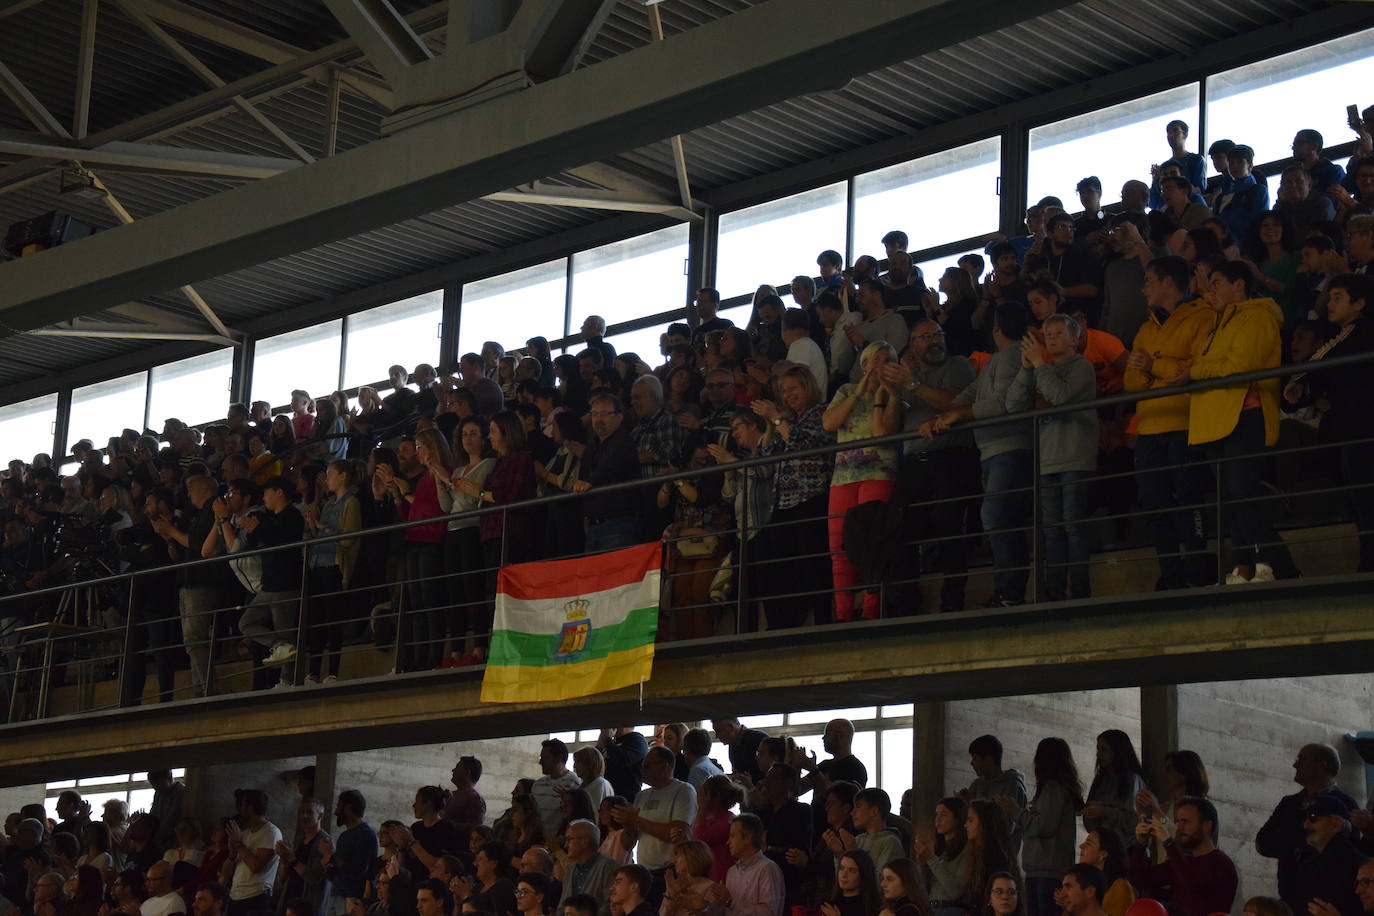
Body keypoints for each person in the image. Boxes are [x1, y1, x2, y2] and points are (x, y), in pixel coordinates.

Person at [1182, 260, 1298, 582]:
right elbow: (1200, 357)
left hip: (1245, 413)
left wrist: (1196, 372)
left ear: (1239, 286)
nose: (1211, 290)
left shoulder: (1258, 315)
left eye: (1217, 282)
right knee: (1229, 499)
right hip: (1213, 418)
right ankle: (1243, 565)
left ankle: (1274, 563)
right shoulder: (1216, 322)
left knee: (1242, 492)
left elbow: (1239, 365)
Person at [923, 304, 1033, 607]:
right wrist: (941, 416)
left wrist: (956, 414)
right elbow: (968, 395)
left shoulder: (1011, 357)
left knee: (997, 516)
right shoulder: (999, 360)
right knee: (998, 517)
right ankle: (1007, 590)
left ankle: (1009, 591)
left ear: (997, 329)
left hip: (1009, 448)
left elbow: (1002, 404)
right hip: (994, 451)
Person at [1124, 255, 1216, 590]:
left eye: (1148, 280)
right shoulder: (1145, 327)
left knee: (1189, 497)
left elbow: (1195, 369)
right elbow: (1131, 382)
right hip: (1149, 428)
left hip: (1185, 424)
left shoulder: (1203, 317)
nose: (1142, 288)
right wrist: (1157, 371)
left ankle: (1195, 566)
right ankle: (1171, 572)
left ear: (1167, 282)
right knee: (1154, 504)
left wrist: (1154, 367)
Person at [1286, 273, 1374, 571]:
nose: (1330, 304)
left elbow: (1321, 359)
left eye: (1338, 298)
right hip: (1357, 427)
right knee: (1361, 500)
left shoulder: (1356, 331)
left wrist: (1298, 379)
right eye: (1330, 297)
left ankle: (1369, 566)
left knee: (1364, 499)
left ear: (1359, 303)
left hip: (1361, 429)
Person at [1006, 313, 1098, 600]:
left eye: (1059, 333)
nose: (1052, 338)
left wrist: (1038, 364)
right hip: (1046, 458)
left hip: (1073, 454)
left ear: (1075, 338)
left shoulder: (1081, 366)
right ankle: (1054, 591)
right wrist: (1025, 369)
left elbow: (1059, 396)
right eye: (1048, 334)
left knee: (1072, 523)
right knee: (1052, 529)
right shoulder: (1039, 369)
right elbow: (1012, 405)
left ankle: (1080, 589)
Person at [822, 341, 902, 620]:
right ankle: (843, 612)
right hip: (842, 476)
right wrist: (858, 392)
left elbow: (882, 433)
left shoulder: (896, 394)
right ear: (864, 365)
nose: (881, 365)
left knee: (872, 539)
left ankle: (870, 610)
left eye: (888, 359)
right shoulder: (845, 390)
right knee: (838, 545)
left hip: (879, 472)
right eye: (876, 360)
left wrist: (883, 396)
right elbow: (830, 423)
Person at [751, 365, 835, 628]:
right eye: (783, 391)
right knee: (770, 564)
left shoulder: (822, 412)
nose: (788, 395)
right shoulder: (788, 420)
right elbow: (765, 457)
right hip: (783, 503)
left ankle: (823, 622)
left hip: (811, 498)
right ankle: (781, 625)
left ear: (807, 386)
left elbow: (804, 444)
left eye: (793, 388)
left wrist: (777, 418)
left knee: (814, 565)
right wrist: (771, 424)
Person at [1257, 744, 1360, 906]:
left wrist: (1287, 838)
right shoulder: (1289, 803)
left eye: (1302, 759)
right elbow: (1261, 844)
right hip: (1289, 898)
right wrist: (1307, 839)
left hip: (1325, 904)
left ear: (1323, 764)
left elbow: (1350, 854)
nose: (1295, 764)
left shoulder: (1346, 804)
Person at [1007, 738, 1083, 916]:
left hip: (1049, 871)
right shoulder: (1054, 789)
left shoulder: (1054, 789)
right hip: (1041, 869)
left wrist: (1016, 812)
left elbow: (1043, 827)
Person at [1127, 796, 1236, 916]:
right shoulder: (1183, 861)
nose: (1179, 827)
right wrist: (1141, 843)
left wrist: (1168, 842)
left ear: (1207, 826)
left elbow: (1191, 882)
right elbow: (1139, 878)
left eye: (1185, 821)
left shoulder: (1222, 864)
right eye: (1177, 821)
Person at [615, 747, 696, 900]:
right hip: (644, 873)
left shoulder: (683, 790)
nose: (642, 770)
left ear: (664, 765)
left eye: (647, 765)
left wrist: (637, 820)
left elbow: (676, 832)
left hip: (671, 872)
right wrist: (628, 826)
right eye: (641, 766)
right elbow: (627, 845)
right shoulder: (641, 795)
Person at [574, 394, 642, 552]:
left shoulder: (624, 442)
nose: (598, 419)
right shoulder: (592, 446)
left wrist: (590, 482)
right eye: (594, 414)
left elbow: (609, 466)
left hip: (619, 523)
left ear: (619, 417)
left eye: (604, 414)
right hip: (595, 524)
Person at [1288, 796, 1368, 916]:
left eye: (1313, 818)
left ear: (1336, 823)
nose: (1305, 825)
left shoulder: (1345, 862)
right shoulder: (1316, 861)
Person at [755, 764, 810, 910]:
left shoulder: (801, 811)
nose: (767, 782)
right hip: (764, 877)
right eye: (767, 778)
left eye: (773, 778)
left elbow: (800, 847)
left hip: (789, 877)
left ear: (788, 783)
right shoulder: (765, 814)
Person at [708, 816, 783, 916]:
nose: (728, 842)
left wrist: (729, 902)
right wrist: (704, 906)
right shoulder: (732, 871)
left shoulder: (767, 868)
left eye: (732, 836)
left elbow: (770, 912)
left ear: (748, 838)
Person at [225, 790, 281, 916]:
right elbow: (226, 873)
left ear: (250, 808)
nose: (239, 809)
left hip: (256, 897)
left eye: (241, 805)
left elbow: (256, 866)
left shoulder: (271, 832)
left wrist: (239, 844)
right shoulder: (244, 833)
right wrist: (231, 853)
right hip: (235, 896)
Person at [1083, 731, 1146, 843]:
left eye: (1104, 749)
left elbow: (1136, 821)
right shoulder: (1100, 780)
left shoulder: (1133, 780)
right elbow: (1089, 823)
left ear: (1118, 752)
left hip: (1126, 847)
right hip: (1102, 845)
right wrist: (1090, 813)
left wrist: (1104, 811)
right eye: (1098, 749)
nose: (1098, 754)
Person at [322, 791, 377, 916]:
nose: (336, 812)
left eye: (338, 806)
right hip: (336, 895)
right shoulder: (344, 836)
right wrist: (327, 862)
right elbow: (336, 872)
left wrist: (331, 855)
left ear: (348, 808)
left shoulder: (365, 835)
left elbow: (357, 871)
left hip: (351, 898)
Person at [275, 799, 333, 916]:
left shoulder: (324, 843)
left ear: (320, 815)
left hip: (308, 906)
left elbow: (314, 878)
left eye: (310, 812)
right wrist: (283, 859)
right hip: (290, 901)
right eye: (302, 812)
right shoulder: (298, 841)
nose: (304, 816)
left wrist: (292, 858)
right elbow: (281, 880)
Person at [916, 798, 971, 916]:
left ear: (957, 818)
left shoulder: (967, 850)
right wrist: (922, 864)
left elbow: (956, 891)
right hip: (931, 908)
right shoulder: (939, 850)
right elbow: (925, 889)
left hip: (952, 909)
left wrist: (931, 859)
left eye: (944, 814)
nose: (938, 819)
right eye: (937, 815)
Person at [964, 802, 1017, 912]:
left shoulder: (995, 858)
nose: (965, 825)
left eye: (971, 820)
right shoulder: (977, 854)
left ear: (984, 823)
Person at [556, 819, 615, 909]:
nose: (565, 845)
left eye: (569, 840)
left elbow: (611, 904)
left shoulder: (608, 867)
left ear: (584, 842)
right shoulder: (570, 870)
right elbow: (562, 906)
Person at [692, 775, 740, 883]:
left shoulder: (727, 820)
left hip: (721, 879)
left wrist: (701, 809)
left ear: (714, 797)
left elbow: (698, 842)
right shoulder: (709, 819)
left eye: (703, 793)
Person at [532, 741, 583, 841]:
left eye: (545, 758)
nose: (540, 762)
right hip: (537, 840)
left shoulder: (574, 783)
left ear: (558, 758)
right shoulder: (537, 785)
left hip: (561, 842)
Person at [1074, 831, 1133, 916]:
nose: (1081, 846)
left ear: (1103, 854)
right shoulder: (1086, 883)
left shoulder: (1120, 887)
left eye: (1088, 843)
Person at [659, 841, 719, 916]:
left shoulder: (711, 888)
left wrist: (702, 908)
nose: (674, 861)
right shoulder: (675, 885)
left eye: (678, 855)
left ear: (692, 856)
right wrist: (670, 896)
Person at [823, 850, 881, 916]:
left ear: (863, 875)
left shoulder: (873, 908)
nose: (844, 875)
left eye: (851, 870)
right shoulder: (830, 905)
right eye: (841, 868)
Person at [600, 728, 651, 803]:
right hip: (607, 796)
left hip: (627, 798)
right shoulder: (612, 742)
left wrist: (608, 741)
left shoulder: (636, 739)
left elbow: (623, 760)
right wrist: (600, 746)